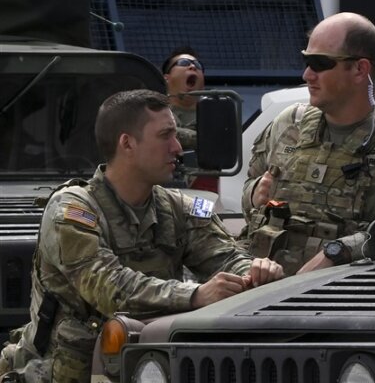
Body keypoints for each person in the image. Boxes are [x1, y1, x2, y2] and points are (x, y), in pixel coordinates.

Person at [0, 90, 283, 382]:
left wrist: (253, 272)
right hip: (68, 373)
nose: (177, 148)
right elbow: (107, 287)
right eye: (166, 136)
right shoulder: (72, 208)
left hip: (148, 367)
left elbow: (223, 256)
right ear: (127, 143)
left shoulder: (178, 208)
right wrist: (195, 294)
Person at [242, 12, 375, 275]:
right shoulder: (288, 124)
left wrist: (341, 251)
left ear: (360, 69)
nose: (307, 74)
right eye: (306, 61)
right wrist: (255, 195)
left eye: (320, 63)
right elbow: (249, 201)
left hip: (348, 298)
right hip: (261, 292)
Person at [162, 47, 205, 150]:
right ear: (166, 78)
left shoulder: (215, 112)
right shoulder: (153, 110)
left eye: (198, 65)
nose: (193, 66)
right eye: (184, 63)